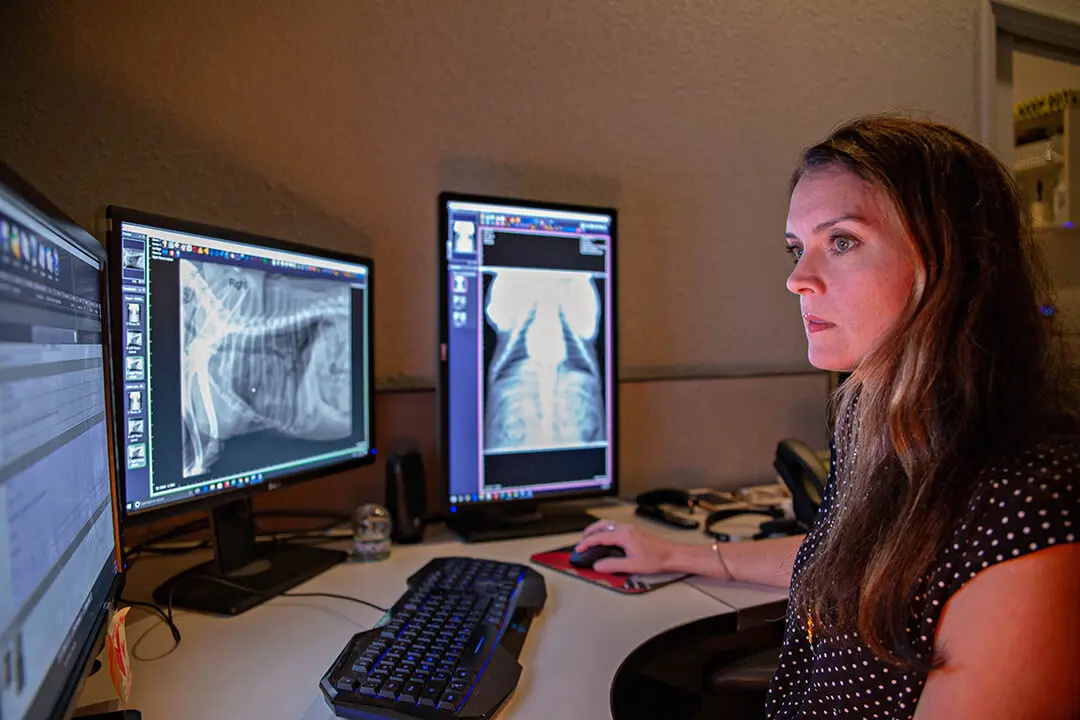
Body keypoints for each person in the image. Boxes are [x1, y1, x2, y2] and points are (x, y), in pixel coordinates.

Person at [574, 114, 1080, 719]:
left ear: (951, 260)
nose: (796, 279)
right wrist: (675, 555)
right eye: (797, 248)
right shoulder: (874, 421)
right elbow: (841, 560)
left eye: (841, 241)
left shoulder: (1029, 506)